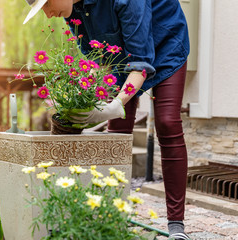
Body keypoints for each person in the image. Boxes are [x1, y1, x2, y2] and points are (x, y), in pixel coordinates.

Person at [23, 0, 190, 239]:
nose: (48, 15)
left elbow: (140, 63)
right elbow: (98, 60)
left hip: (166, 44)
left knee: (167, 122)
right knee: (118, 128)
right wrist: (81, 98)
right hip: (122, 55)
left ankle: (176, 226)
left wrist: (115, 104)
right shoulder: (72, 12)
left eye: (46, 5)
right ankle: (113, 214)